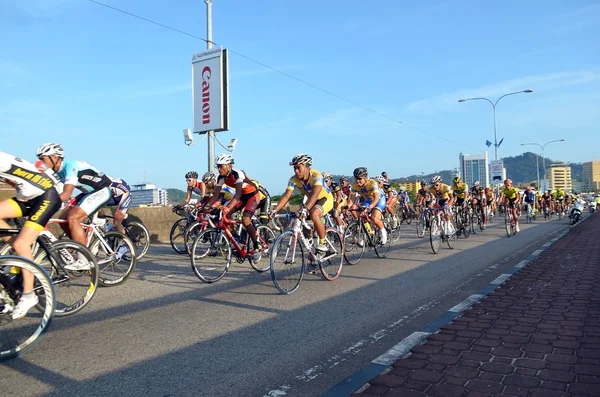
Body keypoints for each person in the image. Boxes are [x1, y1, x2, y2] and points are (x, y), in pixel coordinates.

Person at [0, 151, 62, 318]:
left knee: (22, 244)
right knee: (19, 245)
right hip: (28, 196)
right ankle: (19, 255)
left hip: (46, 196)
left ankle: (29, 295)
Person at [37, 142, 112, 270]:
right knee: (63, 220)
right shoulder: (56, 172)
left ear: (54, 157)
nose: (42, 163)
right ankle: (80, 246)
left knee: (73, 218)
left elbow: (66, 194)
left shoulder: (69, 166)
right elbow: (49, 191)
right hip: (88, 193)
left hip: (101, 191)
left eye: (43, 159)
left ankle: (84, 259)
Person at [271, 154, 333, 253]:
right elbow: (286, 196)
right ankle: (312, 250)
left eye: (298, 168)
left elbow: (315, 194)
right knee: (298, 217)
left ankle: (323, 242)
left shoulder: (316, 176)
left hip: (324, 198)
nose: (296, 171)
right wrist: (274, 210)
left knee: (314, 213)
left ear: (307, 168)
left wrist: (306, 208)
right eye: (294, 168)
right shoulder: (293, 179)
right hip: (311, 200)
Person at [203, 154, 263, 257]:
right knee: (225, 216)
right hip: (242, 197)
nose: (219, 169)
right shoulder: (221, 177)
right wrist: (206, 206)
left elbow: (238, 193)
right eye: (218, 166)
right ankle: (236, 239)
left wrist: (228, 207)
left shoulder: (237, 174)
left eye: (221, 166)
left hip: (252, 196)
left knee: (245, 219)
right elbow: (216, 194)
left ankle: (257, 244)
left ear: (229, 166)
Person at [348, 167, 388, 245]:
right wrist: (347, 206)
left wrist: (369, 208)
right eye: (356, 178)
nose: (357, 181)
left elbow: (376, 198)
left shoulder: (372, 183)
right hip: (368, 200)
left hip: (379, 199)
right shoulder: (354, 186)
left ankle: (384, 233)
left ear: (365, 178)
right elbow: (352, 200)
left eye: (360, 179)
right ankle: (369, 234)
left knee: (374, 217)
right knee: (361, 216)